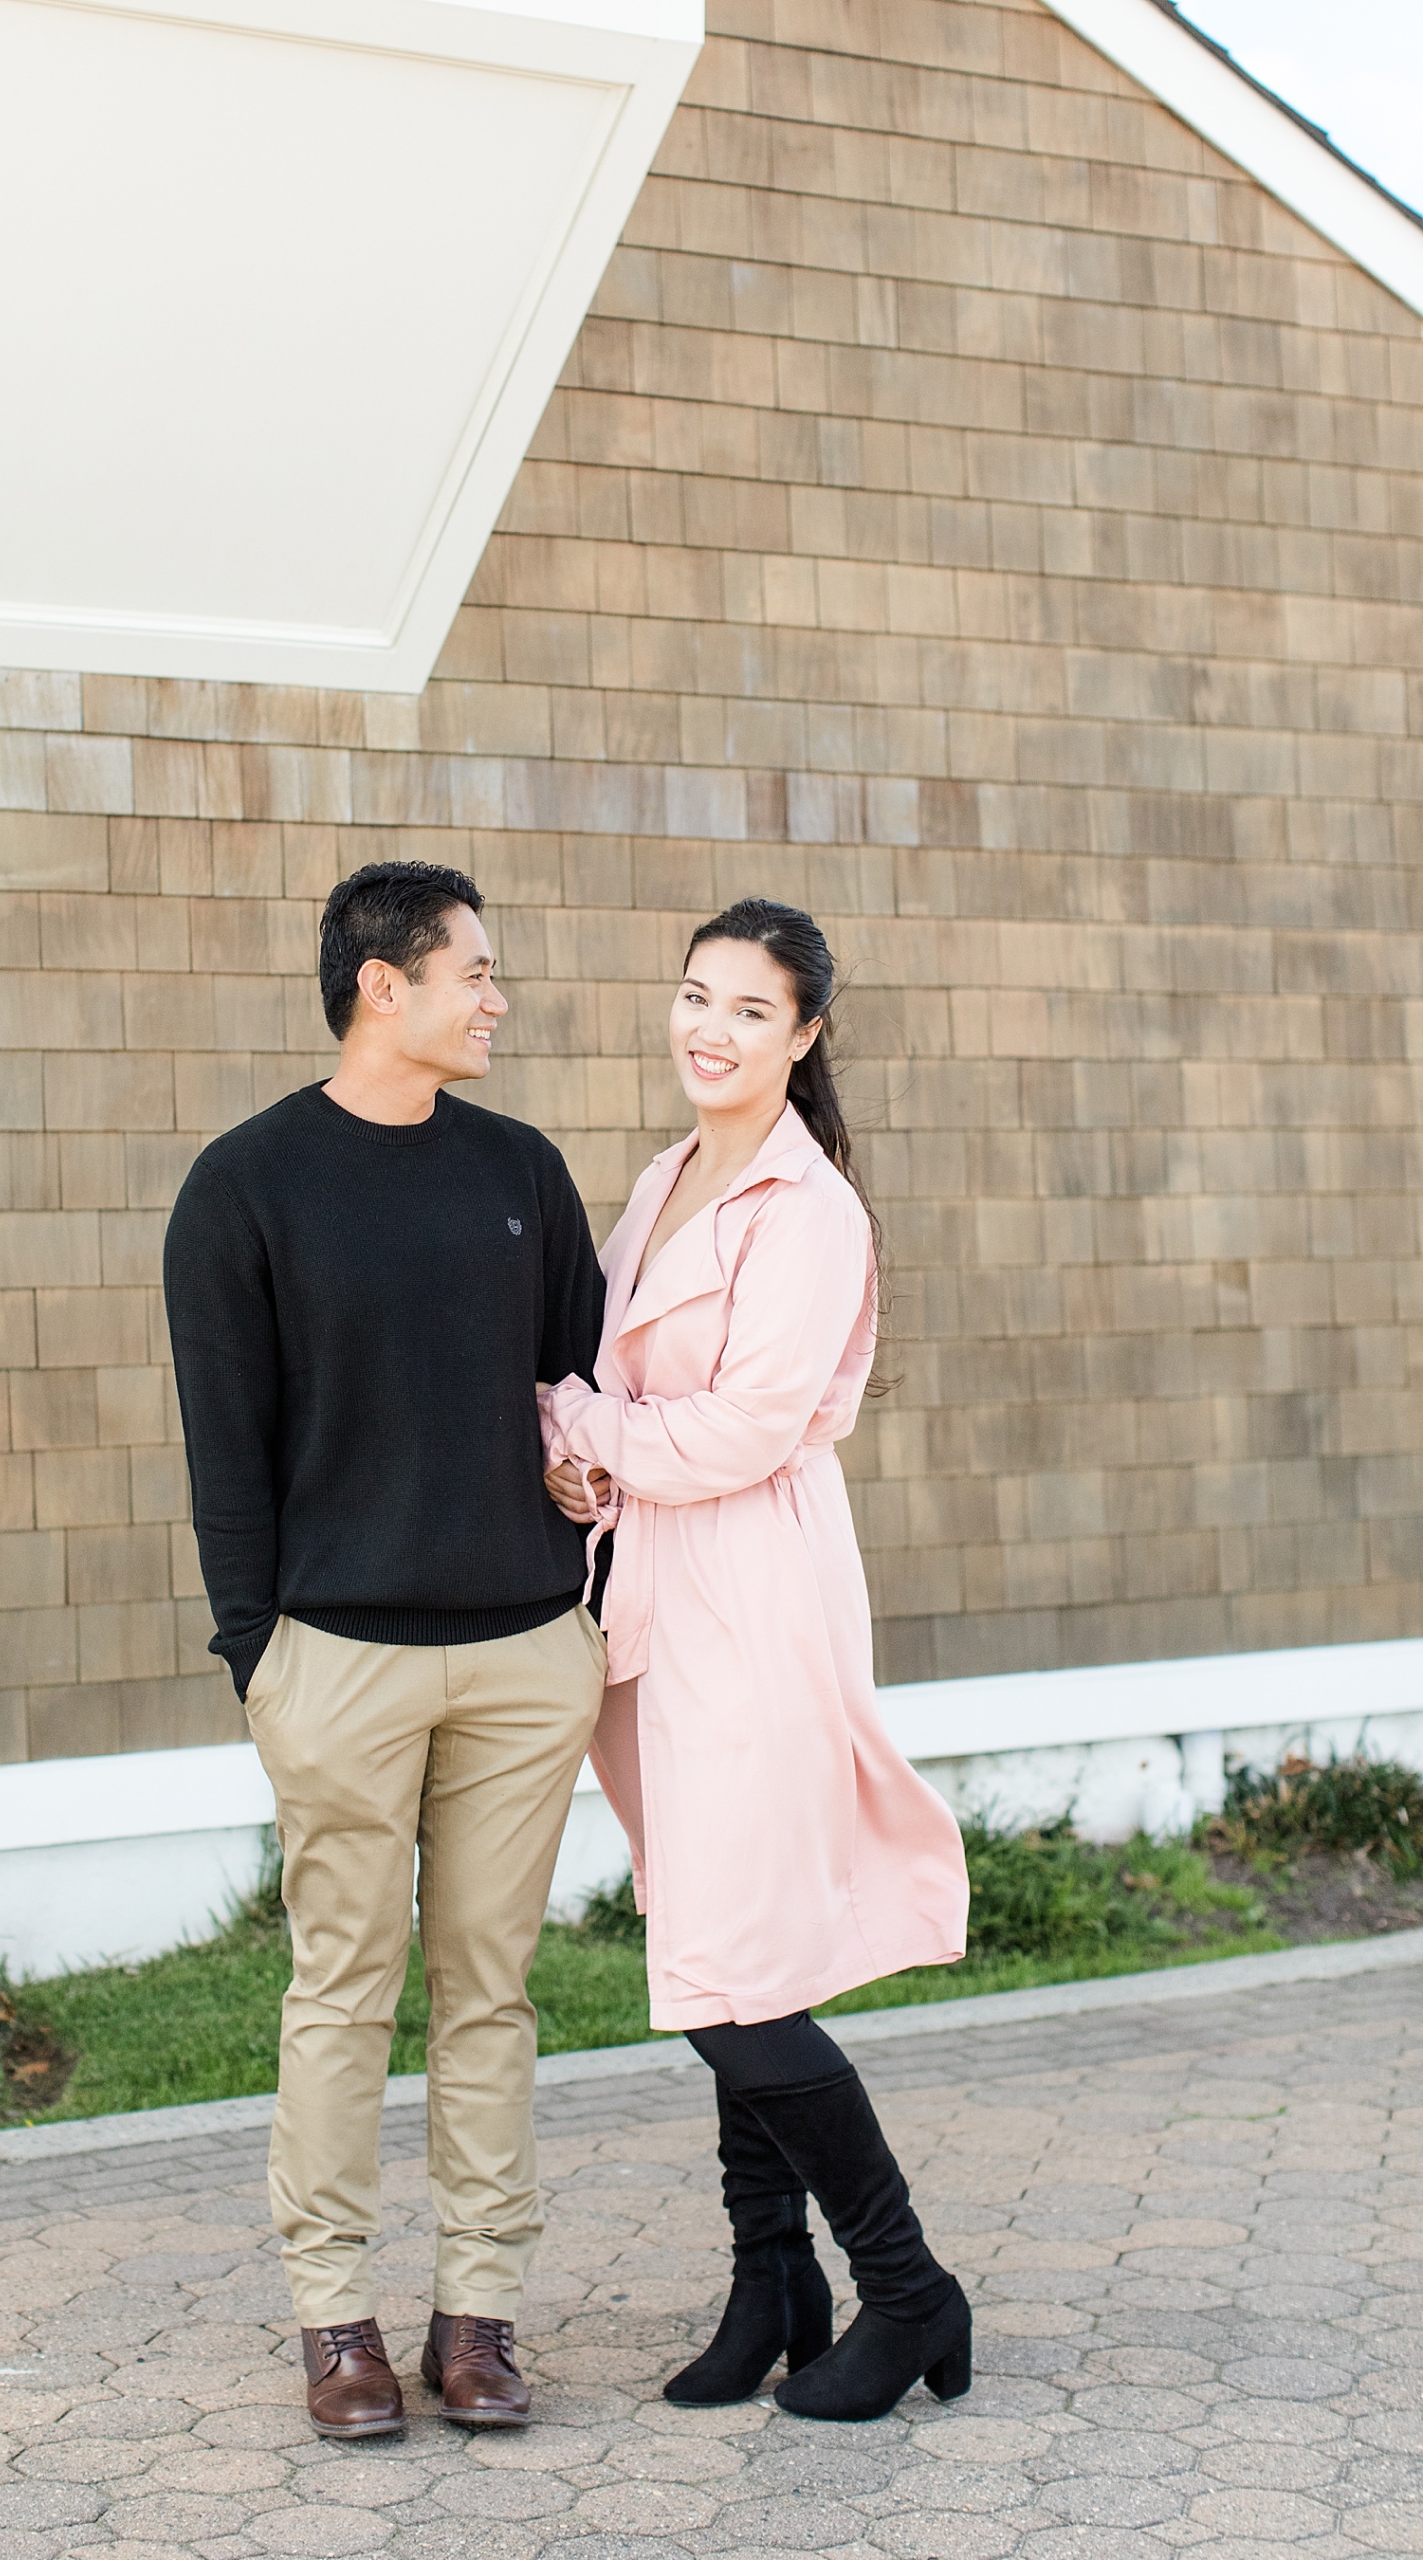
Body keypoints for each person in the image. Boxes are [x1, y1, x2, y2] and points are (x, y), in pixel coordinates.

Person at [164, 860, 607, 2443]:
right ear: (382, 984)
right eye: (475, 972)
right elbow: (228, 1448)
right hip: (334, 1659)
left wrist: (586, 1580)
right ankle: (332, 2323)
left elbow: (581, 1393)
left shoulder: (523, 1171)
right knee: (341, 1992)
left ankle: (476, 2318)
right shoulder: (246, 1185)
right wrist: (258, 1659)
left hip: (523, 1654)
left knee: (491, 1994)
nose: (498, 999)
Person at [539, 897, 972, 2425]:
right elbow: (600, 1379)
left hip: (751, 1598)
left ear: (803, 1035)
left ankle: (908, 2289)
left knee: (733, 1975)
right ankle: (770, 2281)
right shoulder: (663, 1177)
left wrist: (585, 1436)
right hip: (649, 1594)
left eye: (745, 1008)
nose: (707, 1030)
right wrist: (585, 1459)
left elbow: (734, 1428)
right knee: (707, 1940)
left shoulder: (811, 1213)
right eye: (693, 996)